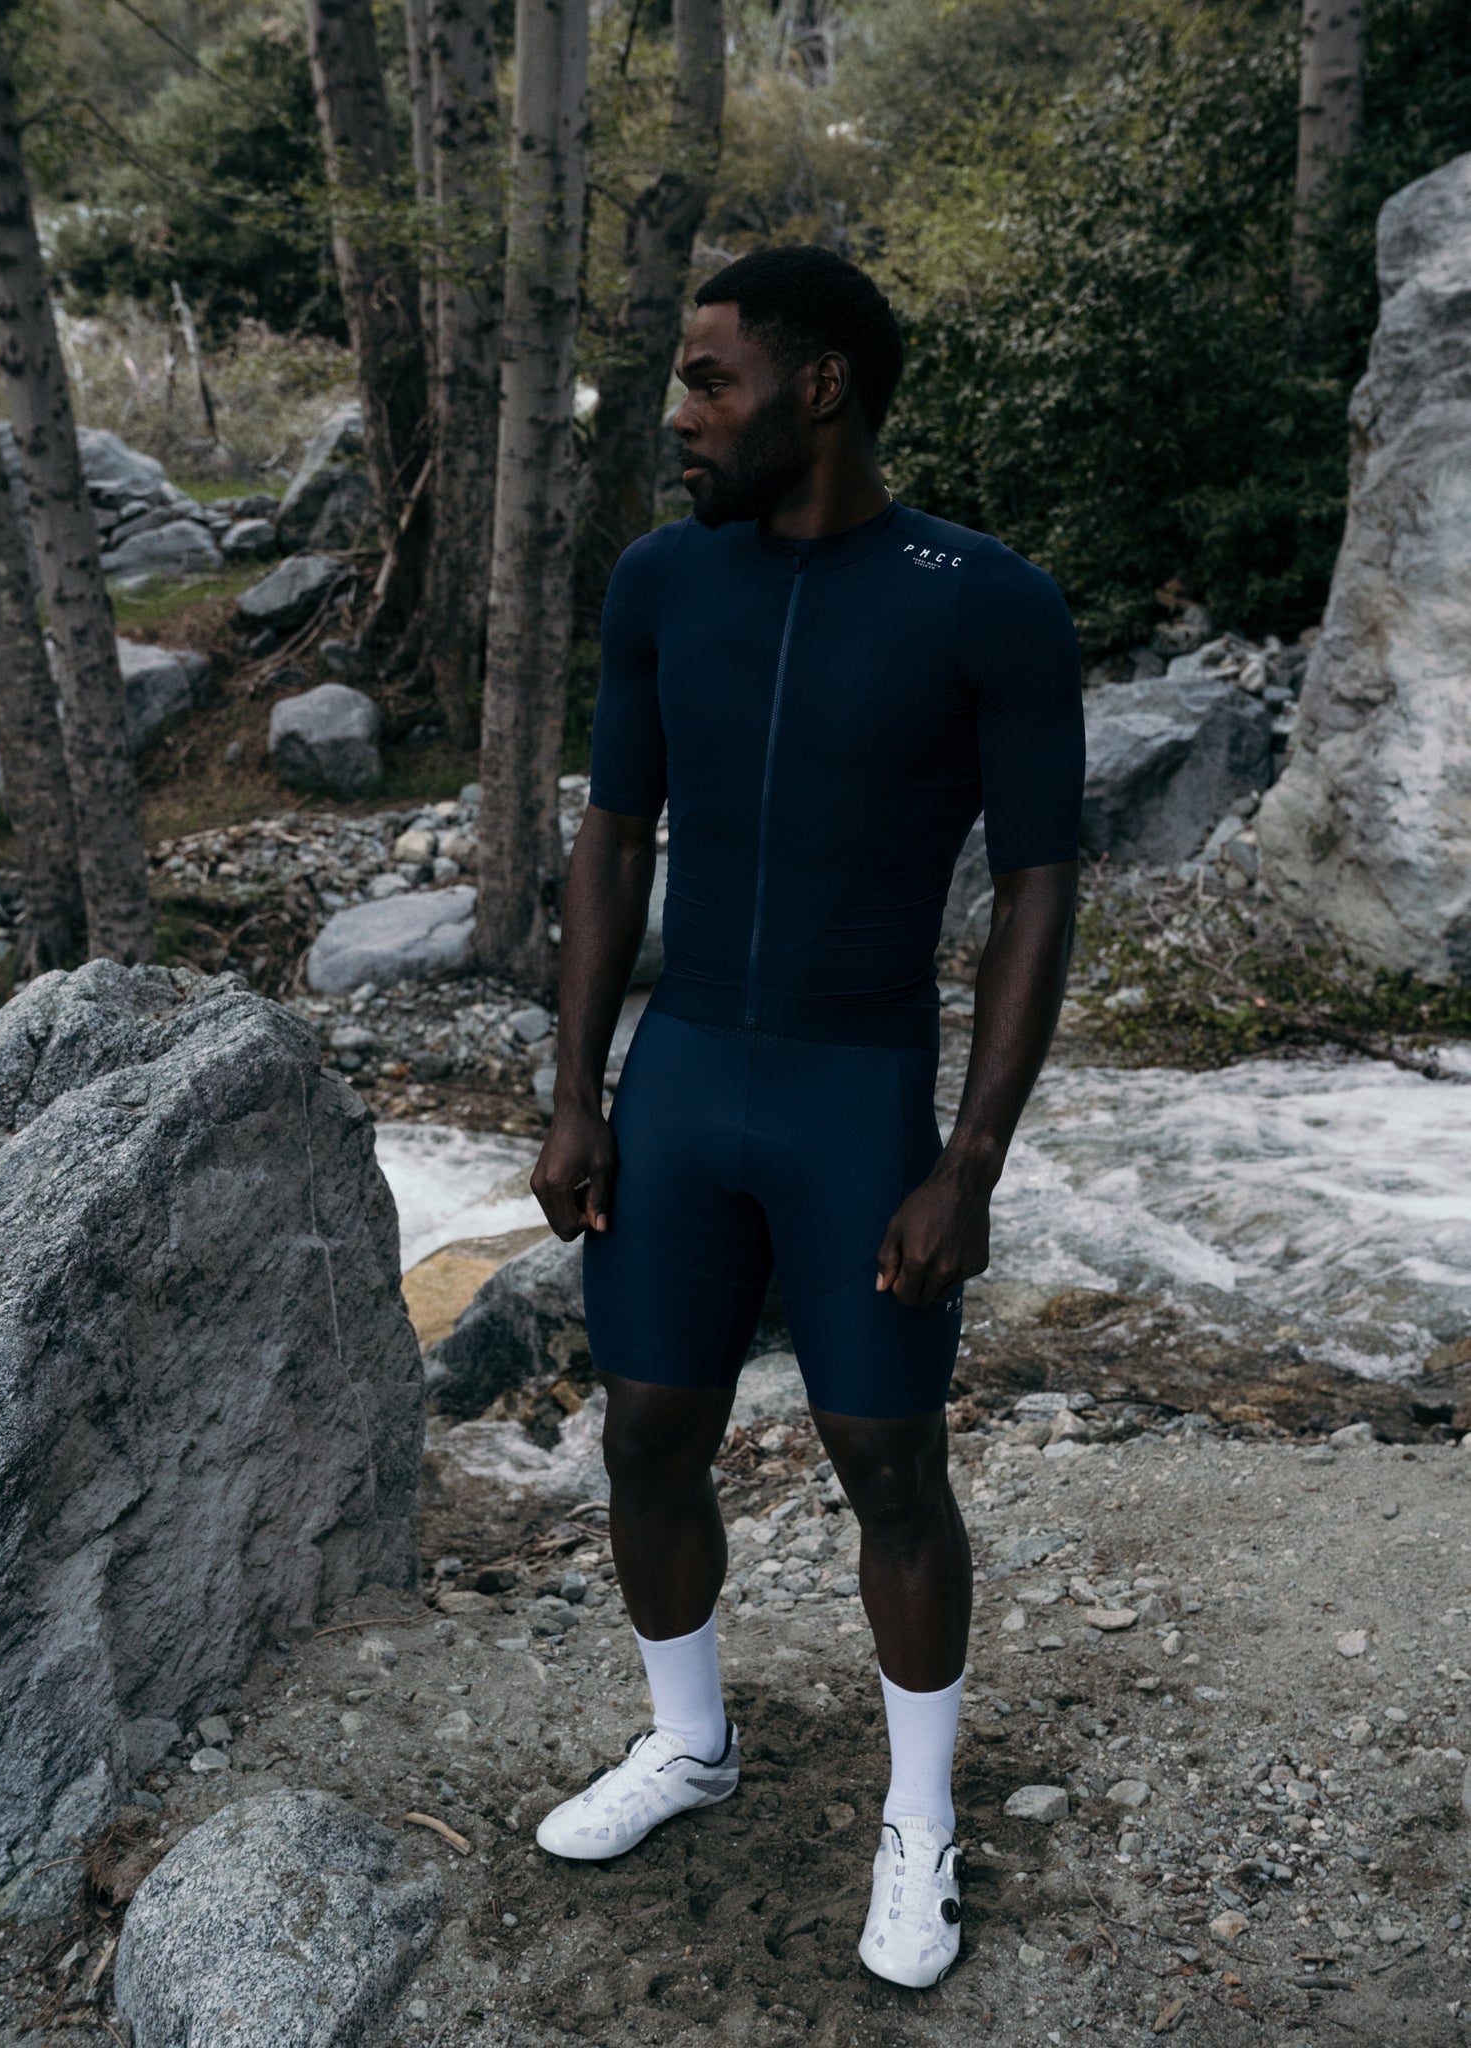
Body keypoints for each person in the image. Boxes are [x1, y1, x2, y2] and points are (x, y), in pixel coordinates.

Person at [526, 244, 1084, 1992]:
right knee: (644, 1437)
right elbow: (613, 836)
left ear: (818, 386)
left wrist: (965, 1163)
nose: (680, 417)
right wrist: (576, 1094)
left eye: (710, 382)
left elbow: (1037, 888)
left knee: (889, 1472)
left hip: (857, 1094)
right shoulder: (659, 583)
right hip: (685, 1076)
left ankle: (918, 1820)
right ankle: (687, 1742)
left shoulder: (982, 600)